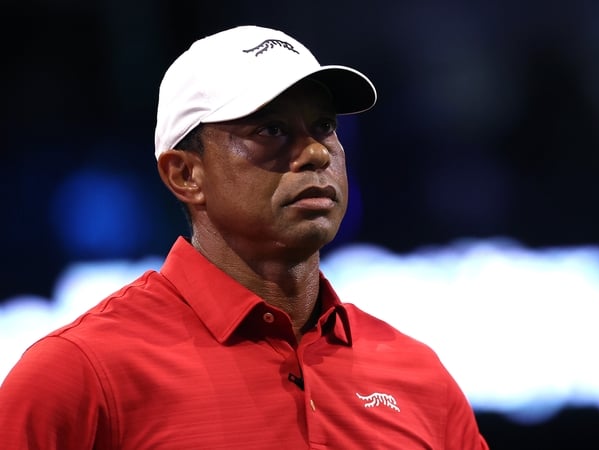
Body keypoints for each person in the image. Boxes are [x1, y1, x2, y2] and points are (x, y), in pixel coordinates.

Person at [0, 25, 489, 449]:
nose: (316, 153)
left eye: (323, 126)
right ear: (186, 174)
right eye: (272, 129)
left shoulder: (419, 377)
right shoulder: (80, 374)